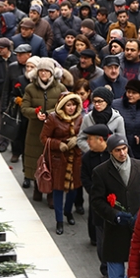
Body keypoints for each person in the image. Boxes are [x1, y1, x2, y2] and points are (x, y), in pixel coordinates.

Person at [91, 134, 140, 278]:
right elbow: (97, 201)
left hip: (139, 229)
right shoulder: (101, 172)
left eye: (124, 149)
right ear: (110, 151)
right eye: (118, 150)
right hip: (115, 232)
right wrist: (115, 215)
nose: (122, 153)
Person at [21, 58, 67, 204]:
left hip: (54, 131)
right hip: (35, 130)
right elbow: (24, 108)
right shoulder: (30, 88)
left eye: (47, 71)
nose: (44, 74)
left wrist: (49, 113)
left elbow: (63, 106)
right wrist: (35, 113)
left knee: (53, 160)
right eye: (41, 71)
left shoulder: (60, 88)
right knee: (37, 159)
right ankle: (38, 187)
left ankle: (51, 193)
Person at [40, 92, 84, 235]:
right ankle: (59, 220)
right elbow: (44, 138)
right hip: (59, 159)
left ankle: (68, 211)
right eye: (68, 105)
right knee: (58, 189)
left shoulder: (80, 118)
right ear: (62, 106)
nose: (71, 108)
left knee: (74, 188)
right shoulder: (53, 118)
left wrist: (77, 140)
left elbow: (84, 135)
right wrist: (58, 144)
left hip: (76, 158)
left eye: (73, 105)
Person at [80, 124, 111, 278]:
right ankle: (105, 268)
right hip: (98, 203)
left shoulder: (115, 152)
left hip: (116, 203)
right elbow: (84, 178)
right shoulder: (87, 158)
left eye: (90, 139)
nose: (88, 142)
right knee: (101, 237)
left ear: (100, 140)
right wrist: (96, 193)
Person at [77, 87, 126, 153]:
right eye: (94, 101)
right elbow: (80, 139)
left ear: (107, 101)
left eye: (100, 101)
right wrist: (92, 150)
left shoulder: (118, 119)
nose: (97, 104)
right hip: (92, 156)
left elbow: (122, 141)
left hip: (111, 156)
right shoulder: (87, 118)